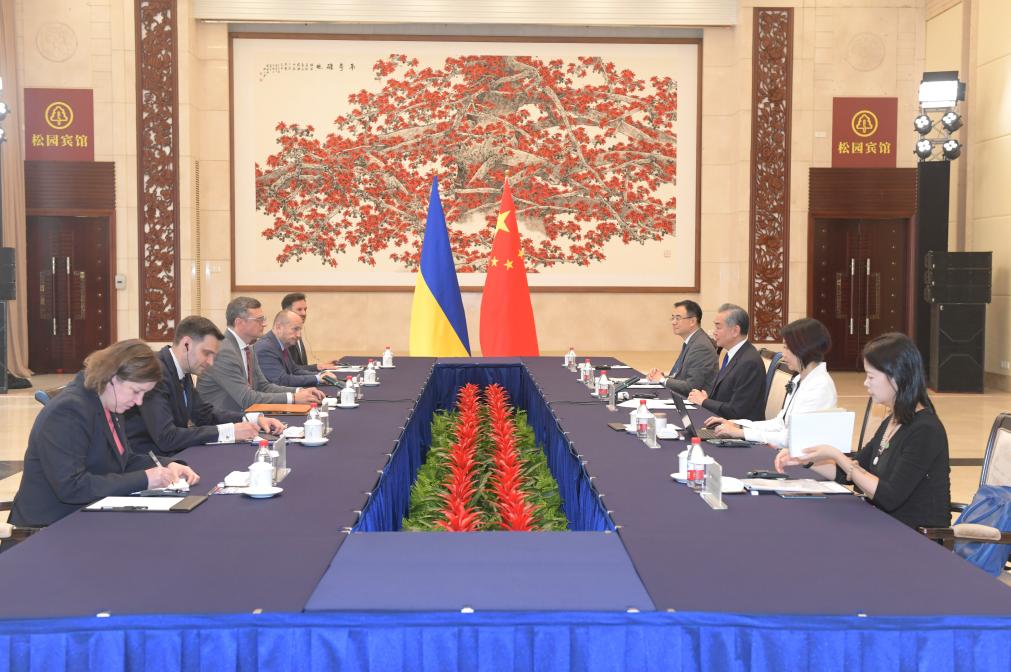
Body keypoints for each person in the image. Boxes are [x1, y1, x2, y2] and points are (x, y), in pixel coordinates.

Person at [9, 340, 200, 528]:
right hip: (46, 528)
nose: (139, 401)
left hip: (84, 515)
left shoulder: (108, 401)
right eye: (136, 391)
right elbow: (72, 487)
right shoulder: (69, 411)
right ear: (112, 377)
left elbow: (124, 459)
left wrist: (168, 465)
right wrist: (145, 479)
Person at [776, 332, 951, 529]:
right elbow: (853, 470)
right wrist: (805, 459)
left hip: (913, 535)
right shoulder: (893, 420)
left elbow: (889, 496)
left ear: (896, 378)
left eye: (871, 376)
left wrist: (836, 455)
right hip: (884, 523)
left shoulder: (925, 430)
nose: (866, 383)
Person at [124, 316, 286, 457]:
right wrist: (229, 431)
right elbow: (167, 437)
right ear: (186, 344)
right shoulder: (156, 372)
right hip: (150, 462)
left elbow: (204, 414)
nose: (210, 362)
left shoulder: (183, 371)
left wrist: (253, 419)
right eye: (206, 353)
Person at [702, 318, 837, 448]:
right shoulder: (799, 379)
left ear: (804, 349)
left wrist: (741, 433)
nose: (783, 354)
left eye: (787, 348)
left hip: (803, 459)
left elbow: (792, 438)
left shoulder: (819, 387)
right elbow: (780, 423)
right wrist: (736, 424)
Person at [196, 296, 325, 414]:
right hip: (221, 424)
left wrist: (299, 391)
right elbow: (247, 398)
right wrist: (293, 398)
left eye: (263, 319)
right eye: (259, 320)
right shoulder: (223, 351)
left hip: (245, 418)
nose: (264, 324)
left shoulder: (249, 347)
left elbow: (263, 386)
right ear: (239, 322)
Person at [687, 303, 766, 421]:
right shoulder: (732, 355)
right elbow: (725, 397)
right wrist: (707, 399)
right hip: (723, 421)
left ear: (735, 331)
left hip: (740, 428)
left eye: (718, 327)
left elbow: (737, 411)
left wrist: (704, 401)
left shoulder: (749, 362)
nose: (714, 332)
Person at [645, 299, 718, 395]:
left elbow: (692, 387)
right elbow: (680, 377)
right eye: (672, 318)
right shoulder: (693, 341)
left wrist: (662, 380)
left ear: (692, 321)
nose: (673, 322)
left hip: (693, 402)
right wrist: (660, 377)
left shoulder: (701, 346)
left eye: (678, 318)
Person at [255, 310, 338, 388]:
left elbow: (295, 370)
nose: (299, 335)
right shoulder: (265, 348)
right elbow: (281, 380)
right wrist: (317, 378)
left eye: (300, 330)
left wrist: (321, 375)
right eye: (295, 329)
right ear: (278, 327)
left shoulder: (282, 343)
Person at [282, 292, 340, 370]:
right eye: (299, 309)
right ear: (287, 312)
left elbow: (299, 366)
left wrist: (322, 365)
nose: (304, 313)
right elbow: (290, 370)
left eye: (305, 309)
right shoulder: (284, 336)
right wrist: (317, 367)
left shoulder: (296, 331)